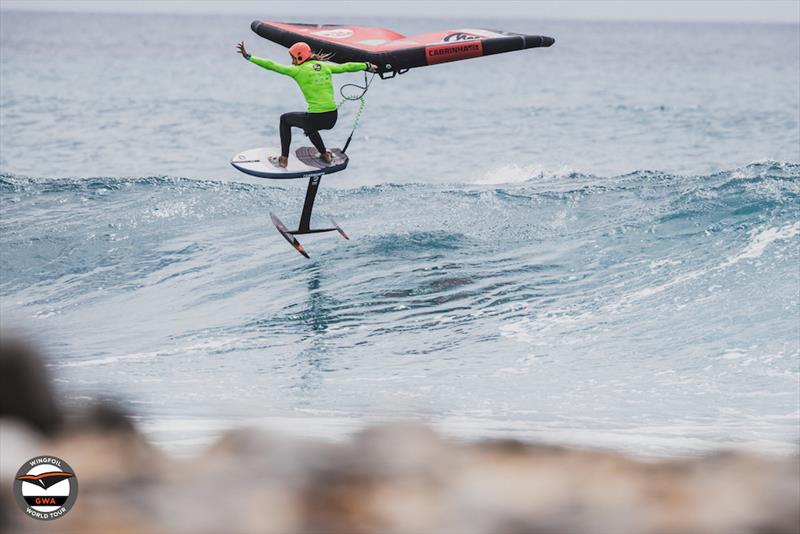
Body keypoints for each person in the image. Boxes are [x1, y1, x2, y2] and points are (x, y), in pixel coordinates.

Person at [237, 41, 377, 167]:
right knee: (309, 127)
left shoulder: (297, 70)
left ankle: (283, 159)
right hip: (332, 117)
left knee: (285, 119)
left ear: (300, 57)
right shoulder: (325, 66)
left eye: (293, 58)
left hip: (316, 117)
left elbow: (271, 65)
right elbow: (347, 66)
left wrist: (249, 56)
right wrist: (367, 65)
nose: (291, 62)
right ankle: (324, 154)